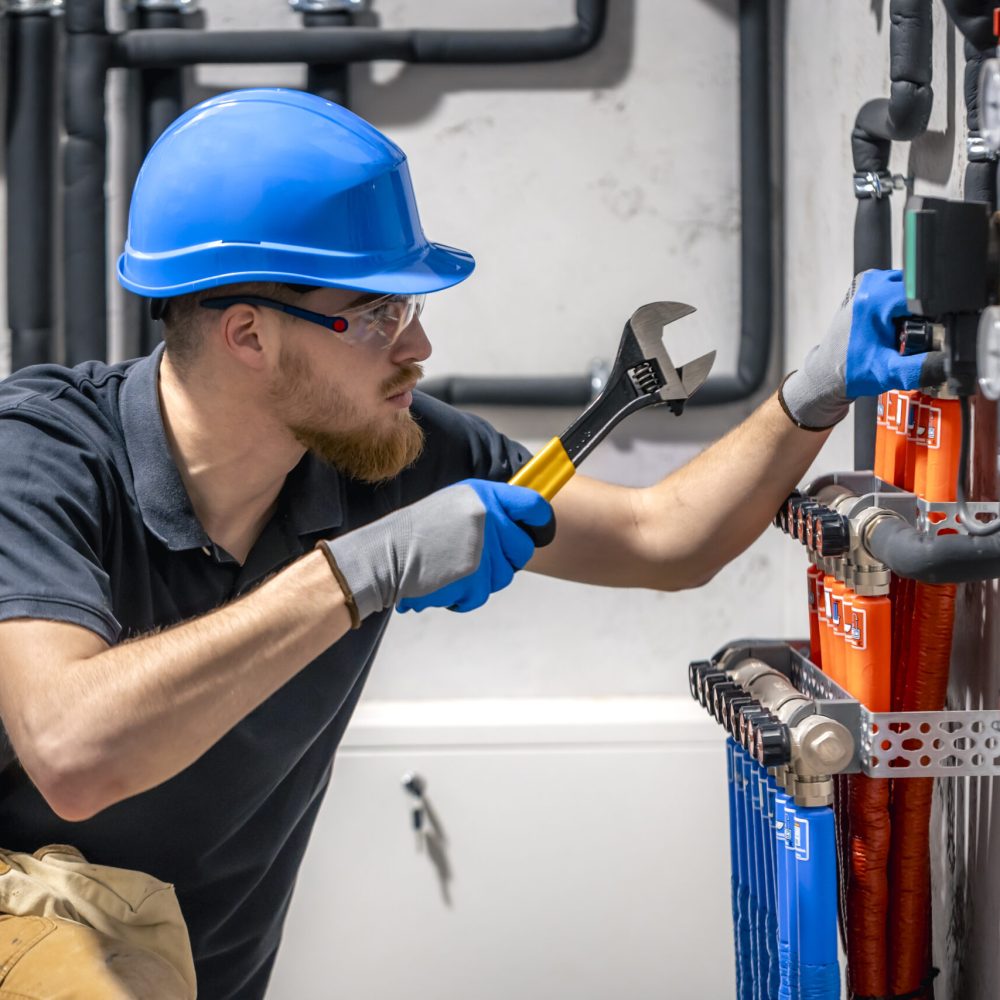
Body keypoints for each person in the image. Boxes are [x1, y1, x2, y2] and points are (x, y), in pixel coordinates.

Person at [0, 88, 936, 999]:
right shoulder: (38, 457)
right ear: (248, 332)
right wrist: (361, 572)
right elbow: (76, 752)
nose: (419, 347)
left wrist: (813, 392)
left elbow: (664, 539)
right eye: (379, 314)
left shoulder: (386, 453)